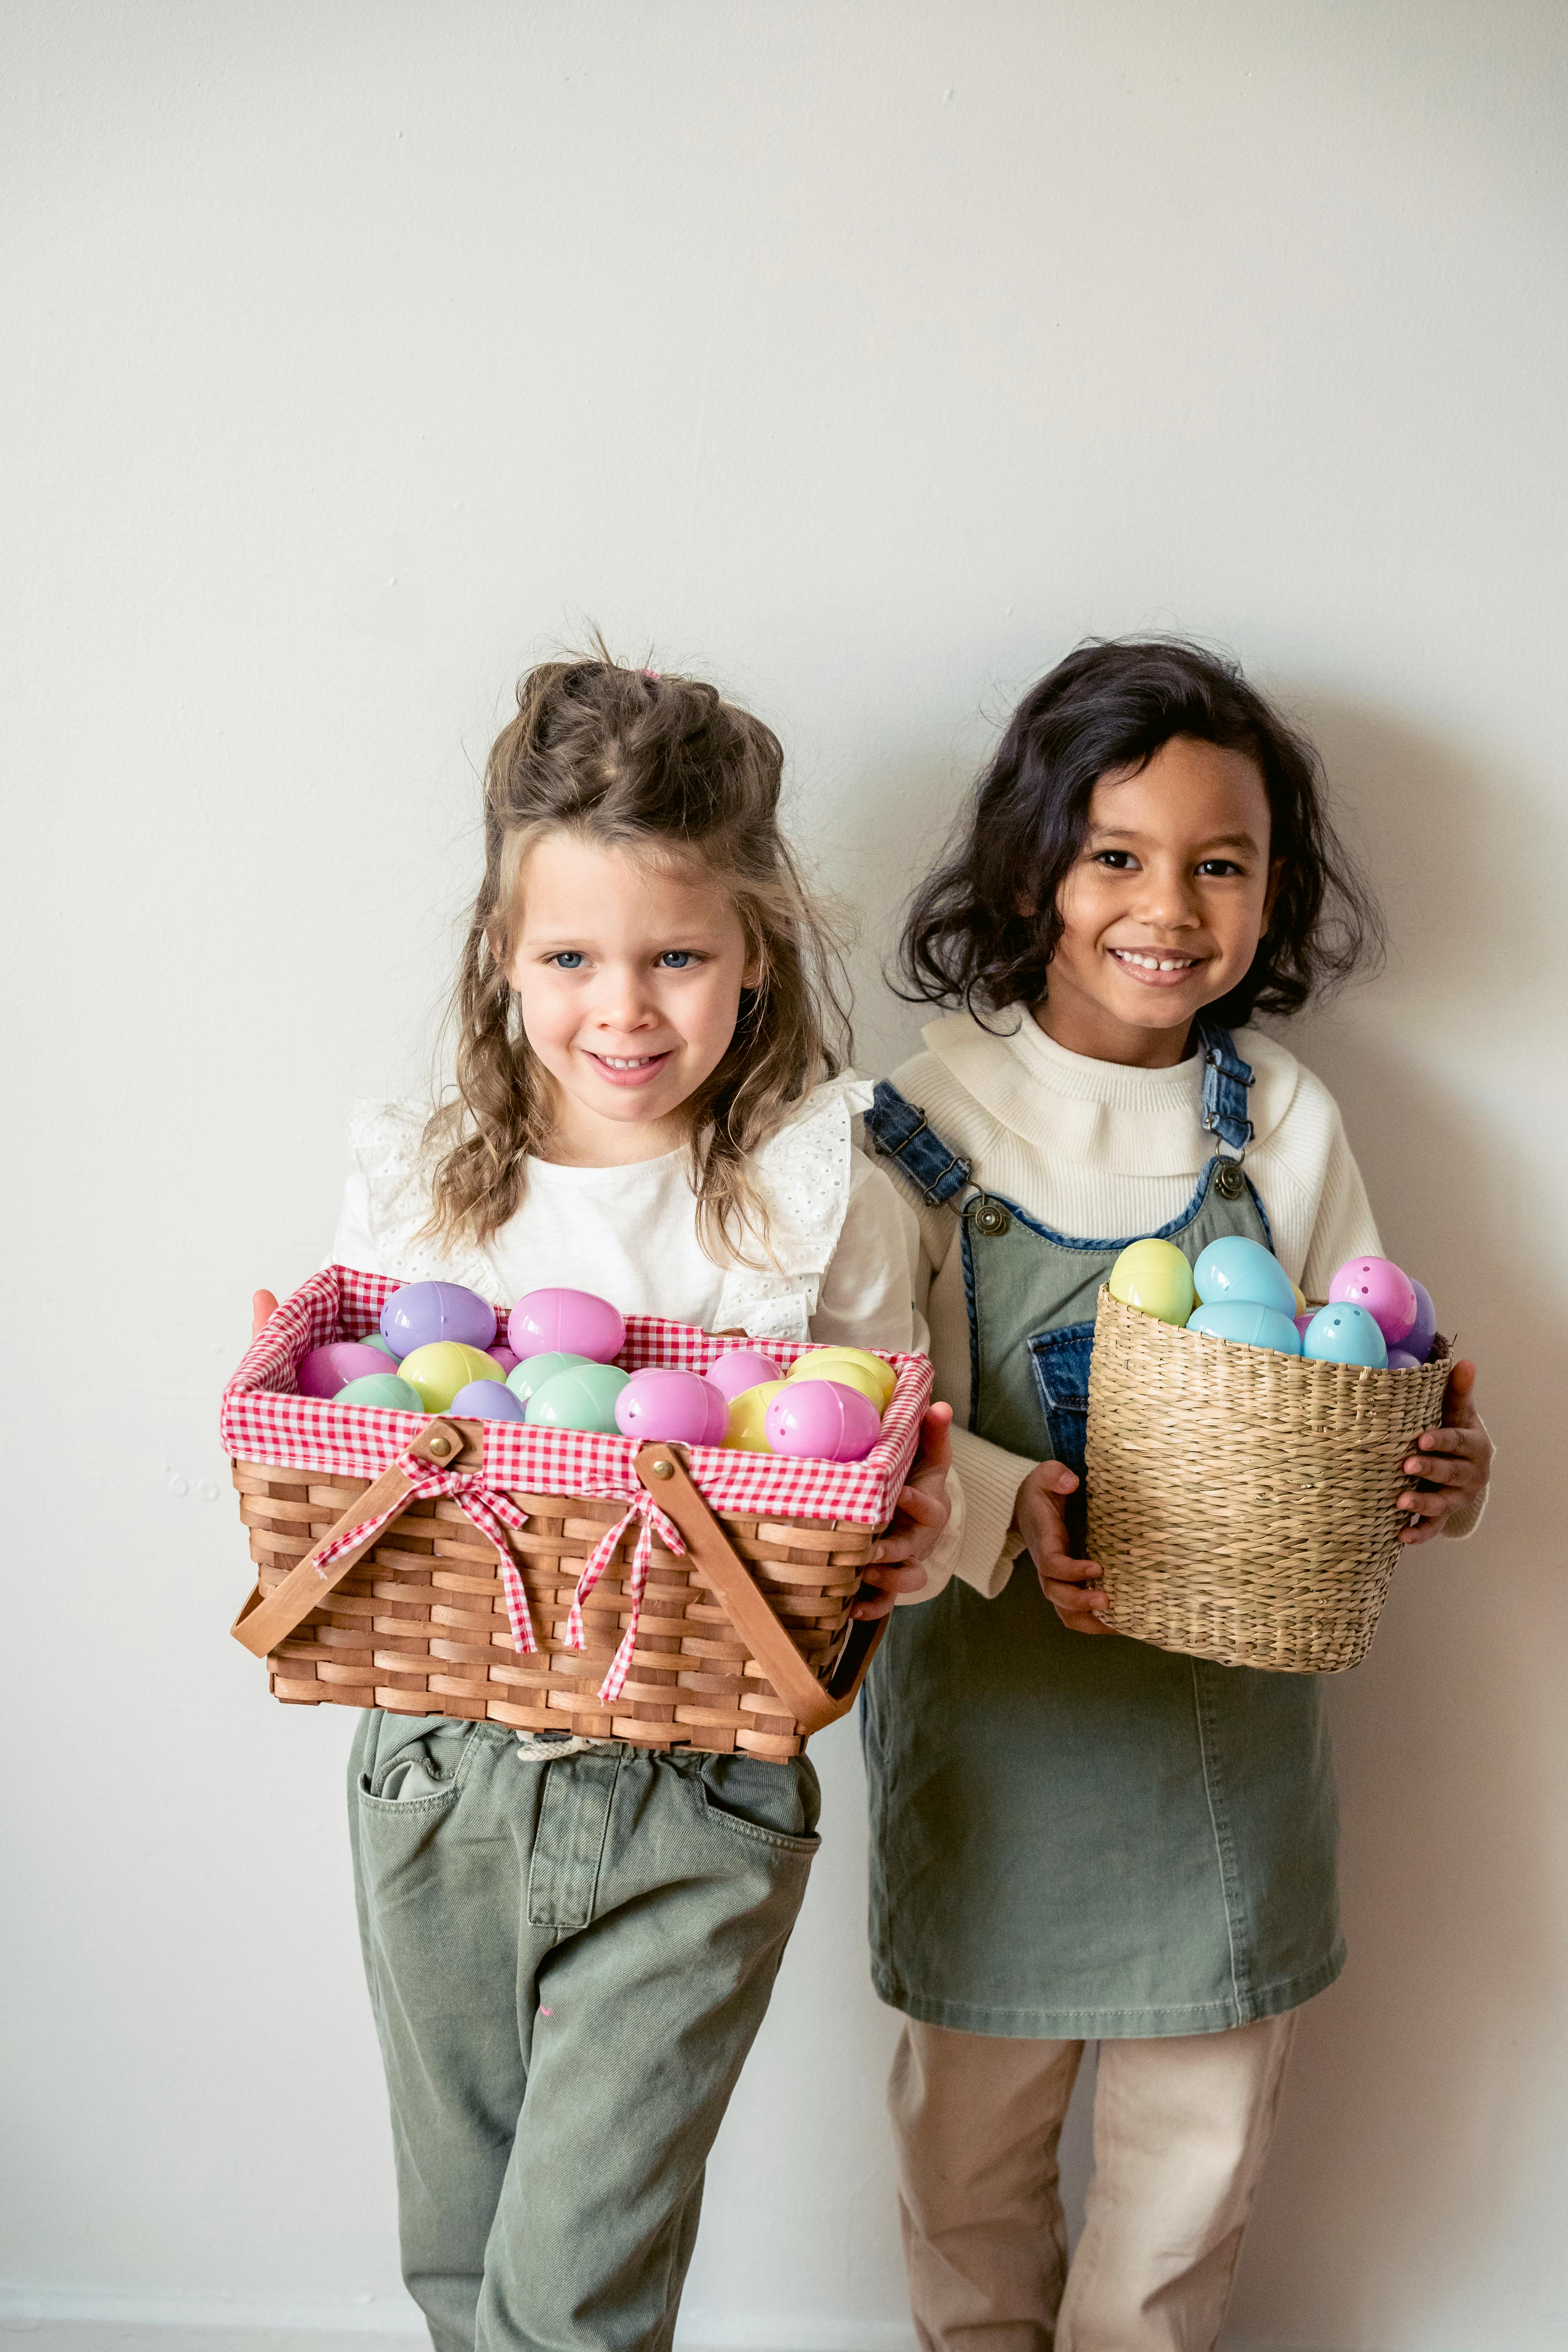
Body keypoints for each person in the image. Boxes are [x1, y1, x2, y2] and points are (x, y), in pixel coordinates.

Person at [252, 653, 958, 2352]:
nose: (621, 1009)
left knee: (571, 2293)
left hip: (696, 1792)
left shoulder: (814, 1193)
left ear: (756, 953)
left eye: (676, 958)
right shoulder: (424, 1183)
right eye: (569, 957)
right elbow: (361, 1407)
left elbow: (871, 1456)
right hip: (438, 1771)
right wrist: (303, 1398)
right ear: (502, 960)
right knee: (463, 2255)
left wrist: (913, 1532)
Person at [859, 639, 1493, 2352]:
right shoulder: (923, 1122)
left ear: (1272, 891)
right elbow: (860, 1423)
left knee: (1184, 2180)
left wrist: (1434, 1462)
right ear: (1031, 867)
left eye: (1224, 863)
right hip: (993, 1751)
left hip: (1221, 1762)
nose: (1171, 905)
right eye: (1115, 855)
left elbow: (1364, 1355)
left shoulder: (1272, 1115)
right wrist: (1008, 1506)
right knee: (965, 2163)